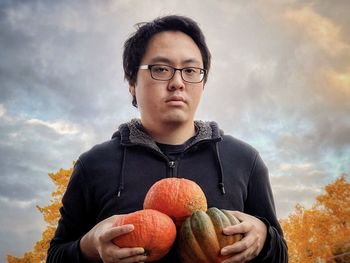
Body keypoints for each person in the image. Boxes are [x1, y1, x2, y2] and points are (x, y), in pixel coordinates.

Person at [47, 15, 288, 263]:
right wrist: (90, 246)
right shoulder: (94, 164)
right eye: (161, 69)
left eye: (191, 71)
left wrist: (264, 237)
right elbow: (55, 256)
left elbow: (281, 254)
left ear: (203, 82)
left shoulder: (244, 160)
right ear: (132, 83)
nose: (177, 83)